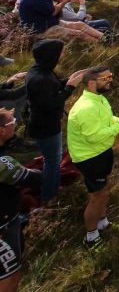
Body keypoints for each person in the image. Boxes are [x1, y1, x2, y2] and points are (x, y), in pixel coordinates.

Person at [67, 66, 119, 246]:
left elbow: (108, 120)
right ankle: (91, 236)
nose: (110, 80)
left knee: (103, 190)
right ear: (91, 83)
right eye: (106, 78)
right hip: (90, 158)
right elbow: (95, 136)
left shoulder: (99, 98)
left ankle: (102, 221)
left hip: (101, 152)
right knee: (97, 196)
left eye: (110, 76)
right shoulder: (86, 108)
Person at [25, 39, 85, 202]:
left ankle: (51, 188)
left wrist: (70, 79)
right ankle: (49, 196)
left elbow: (52, 87)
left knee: (52, 158)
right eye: (61, 51)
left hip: (43, 124)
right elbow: (52, 104)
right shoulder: (40, 78)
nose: (63, 53)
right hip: (47, 126)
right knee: (52, 161)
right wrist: (70, 87)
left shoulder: (40, 71)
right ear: (52, 55)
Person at [0, 106, 42, 291]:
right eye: (12, 122)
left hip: (9, 220)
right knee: (11, 278)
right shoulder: (3, 164)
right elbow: (32, 179)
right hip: (3, 227)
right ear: (1, 130)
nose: (15, 124)